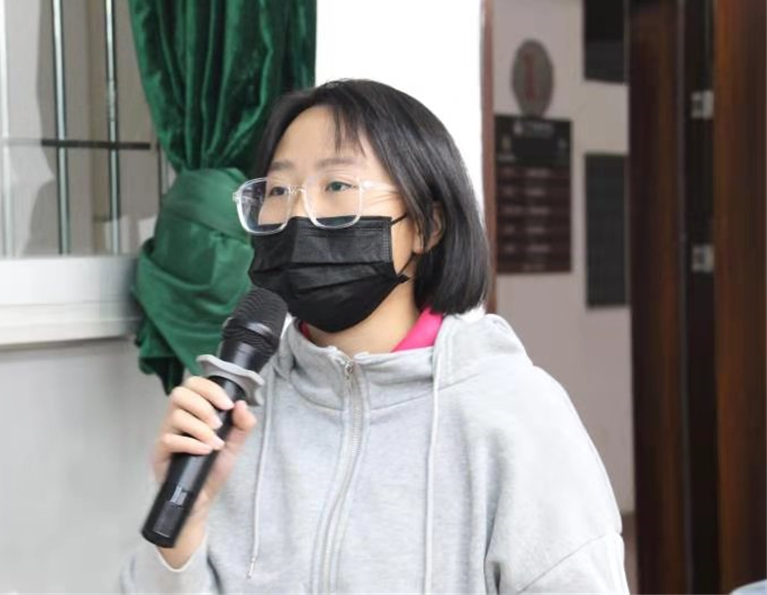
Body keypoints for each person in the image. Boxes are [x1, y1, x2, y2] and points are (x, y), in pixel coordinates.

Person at [119, 79, 630, 594]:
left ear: (427, 226)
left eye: (337, 186)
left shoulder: (514, 415)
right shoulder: (238, 413)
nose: (297, 214)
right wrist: (181, 540)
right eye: (277, 191)